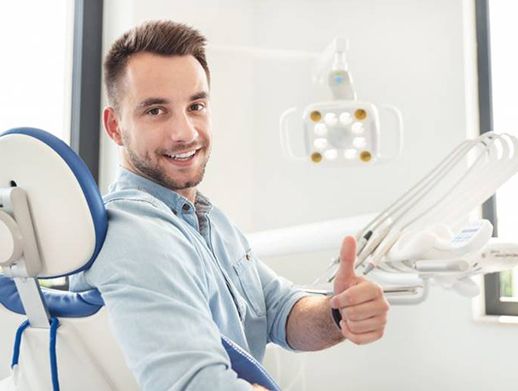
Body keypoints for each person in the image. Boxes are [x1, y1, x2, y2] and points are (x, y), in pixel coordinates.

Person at [70, 20, 389, 390]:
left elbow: (278, 311)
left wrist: (337, 312)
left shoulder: (208, 220)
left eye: (196, 105)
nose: (185, 132)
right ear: (114, 127)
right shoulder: (135, 234)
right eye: (156, 111)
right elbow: (192, 384)